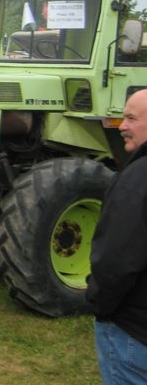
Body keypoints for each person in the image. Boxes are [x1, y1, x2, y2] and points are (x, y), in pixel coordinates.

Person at [87, 88, 147, 383]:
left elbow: (116, 260)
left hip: (133, 331)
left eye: (131, 118)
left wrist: (98, 304)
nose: (122, 126)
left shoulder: (137, 180)